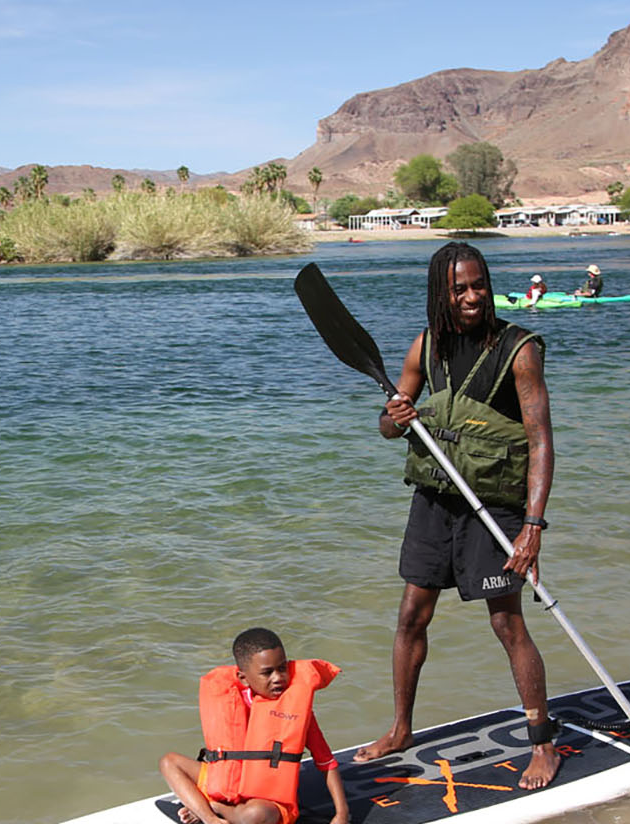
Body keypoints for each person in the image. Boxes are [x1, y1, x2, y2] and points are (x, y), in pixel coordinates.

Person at [355, 242, 560, 791]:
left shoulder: (519, 350)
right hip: (436, 497)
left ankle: (543, 743)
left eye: (479, 285)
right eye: (459, 289)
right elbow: (387, 425)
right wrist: (394, 417)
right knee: (410, 617)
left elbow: (540, 442)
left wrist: (532, 527)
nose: (472, 297)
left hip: (494, 503)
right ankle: (400, 729)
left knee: (506, 621)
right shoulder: (426, 347)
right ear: (440, 293)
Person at [160, 628, 349, 824]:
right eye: (267, 673)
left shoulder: (297, 709)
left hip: (268, 801)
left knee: (255, 815)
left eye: (282, 668)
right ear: (243, 678)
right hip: (228, 783)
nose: (277, 678)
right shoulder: (232, 700)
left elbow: (326, 761)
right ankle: (210, 818)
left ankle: (212, 807)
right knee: (169, 762)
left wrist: (341, 814)